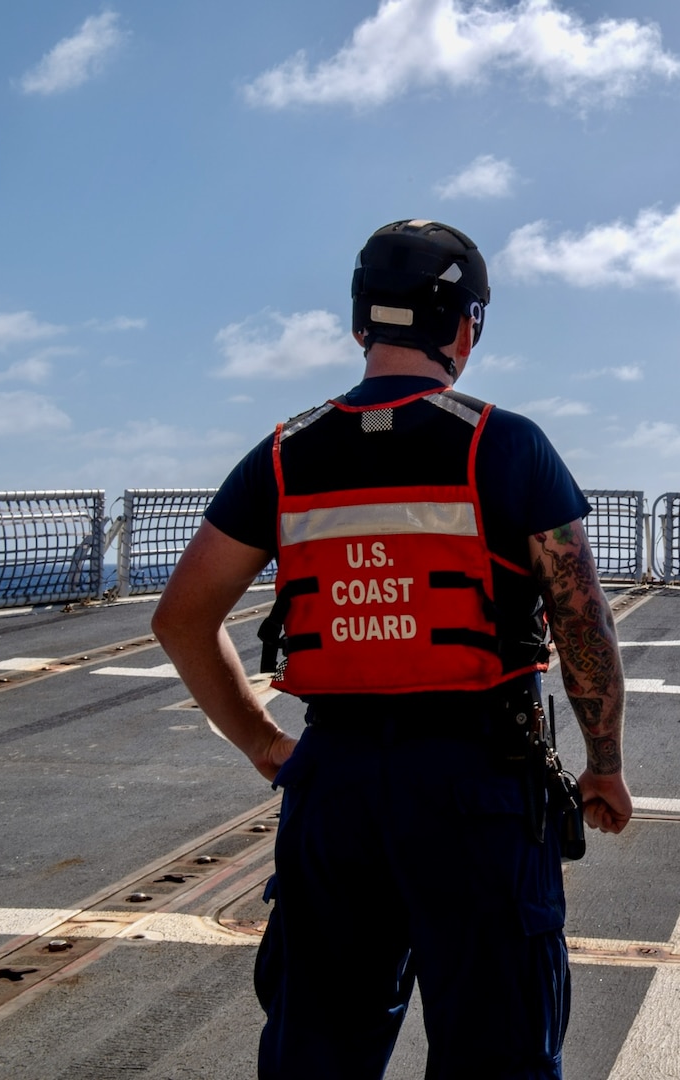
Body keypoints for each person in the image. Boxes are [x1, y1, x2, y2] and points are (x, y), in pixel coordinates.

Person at [151, 218, 631, 1079]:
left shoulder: (283, 455)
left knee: (319, 1048)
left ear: (359, 326)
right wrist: (603, 761)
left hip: (331, 786)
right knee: (499, 1050)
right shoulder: (504, 443)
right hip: (478, 782)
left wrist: (269, 747)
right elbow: (581, 623)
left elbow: (183, 618)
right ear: (464, 326)